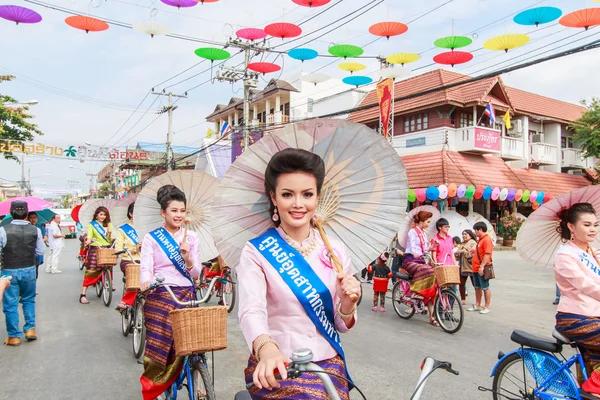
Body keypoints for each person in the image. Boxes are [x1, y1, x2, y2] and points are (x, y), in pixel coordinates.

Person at [238, 148, 360, 399]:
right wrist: (266, 349)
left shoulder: (335, 250)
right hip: (279, 364)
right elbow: (252, 310)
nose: (298, 204)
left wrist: (347, 305)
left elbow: (340, 325)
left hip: (328, 365)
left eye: (307, 194)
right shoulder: (257, 251)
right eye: (287, 194)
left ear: (317, 197)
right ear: (273, 197)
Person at [139, 185, 201, 400]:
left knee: (195, 341)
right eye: (174, 211)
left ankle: (197, 375)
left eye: (182, 211)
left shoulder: (192, 237)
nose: (179, 215)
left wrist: (187, 258)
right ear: (163, 212)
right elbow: (146, 266)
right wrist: (145, 282)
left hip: (186, 292)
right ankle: (156, 383)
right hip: (161, 292)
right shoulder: (152, 238)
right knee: (160, 341)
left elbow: (196, 272)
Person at [554, 203, 600, 396]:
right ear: (571, 226)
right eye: (587, 224)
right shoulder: (565, 255)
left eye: (595, 225)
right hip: (575, 317)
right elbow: (586, 285)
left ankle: (589, 386)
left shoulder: (593, 252)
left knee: (593, 362)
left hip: (595, 316)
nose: (593, 229)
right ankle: (593, 385)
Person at [0, 201, 46, 346]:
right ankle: (30, 329)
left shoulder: (3, 230)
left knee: (10, 303)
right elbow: (40, 251)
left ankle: (14, 336)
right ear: (27, 214)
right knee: (28, 299)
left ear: (10, 212)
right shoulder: (35, 230)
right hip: (29, 269)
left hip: (9, 270)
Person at [402, 210, 438, 326]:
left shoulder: (423, 233)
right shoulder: (412, 232)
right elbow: (412, 247)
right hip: (410, 260)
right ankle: (415, 292)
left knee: (433, 283)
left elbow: (425, 249)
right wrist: (416, 252)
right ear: (421, 222)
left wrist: (432, 246)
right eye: (428, 222)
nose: (428, 224)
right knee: (427, 269)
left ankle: (432, 317)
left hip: (420, 260)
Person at [79, 206, 115, 304]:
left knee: (109, 266)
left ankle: (108, 282)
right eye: (101, 214)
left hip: (107, 248)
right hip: (95, 248)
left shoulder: (109, 225)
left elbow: (109, 240)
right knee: (91, 271)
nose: (102, 217)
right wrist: (88, 241)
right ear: (97, 215)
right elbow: (89, 236)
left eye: (104, 215)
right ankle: (83, 294)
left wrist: (109, 234)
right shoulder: (92, 225)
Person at [115, 203, 140, 311]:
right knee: (136, 274)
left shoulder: (148, 229)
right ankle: (125, 301)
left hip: (144, 260)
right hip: (128, 260)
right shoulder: (123, 230)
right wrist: (133, 250)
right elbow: (118, 250)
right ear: (130, 214)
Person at [470, 222, 493, 314]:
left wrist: (482, 266)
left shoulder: (486, 240)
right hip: (475, 267)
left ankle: (487, 306)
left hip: (482, 267)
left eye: (475, 230)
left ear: (480, 229)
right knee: (477, 287)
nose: (475, 232)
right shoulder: (480, 240)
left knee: (485, 287)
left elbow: (487, 254)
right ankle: (478, 304)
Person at [457, 230, 477, 305]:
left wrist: (463, 251)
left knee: (475, 284)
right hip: (462, 266)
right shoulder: (462, 244)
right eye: (463, 234)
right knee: (461, 284)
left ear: (470, 235)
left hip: (470, 266)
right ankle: (463, 299)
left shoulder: (473, 242)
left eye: (466, 234)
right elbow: (457, 258)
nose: (464, 235)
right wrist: (457, 254)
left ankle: (479, 300)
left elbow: (471, 254)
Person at [27, 212, 47, 279]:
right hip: (28, 253)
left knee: (36, 270)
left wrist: (38, 242)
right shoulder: (26, 227)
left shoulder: (40, 227)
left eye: (34, 218)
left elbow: (45, 238)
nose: (33, 219)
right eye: (31, 218)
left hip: (37, 252)